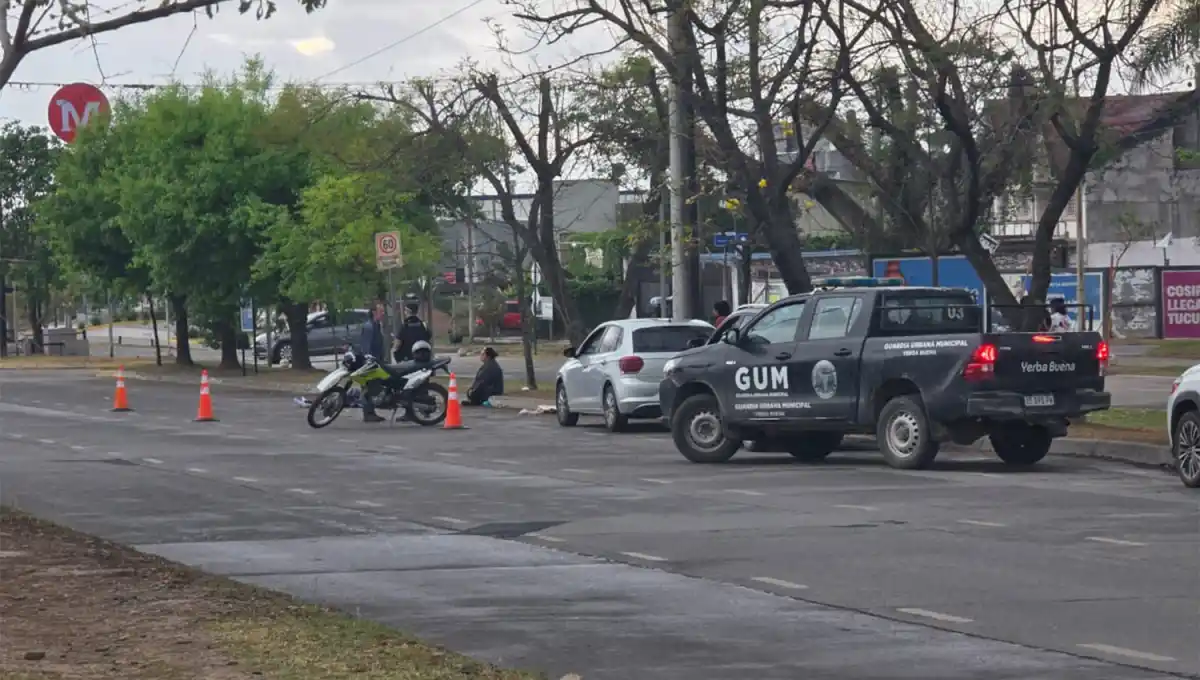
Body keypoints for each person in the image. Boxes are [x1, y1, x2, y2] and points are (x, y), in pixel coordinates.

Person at [359, 302, 389, 423]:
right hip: (370, 362)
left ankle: (371, 412)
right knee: (368, 387)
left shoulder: (376, 325)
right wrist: (369, 360)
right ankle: (368, 413)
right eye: (381, 311)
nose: (383, 314)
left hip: (376, 361)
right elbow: (366, 346)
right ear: (374, 312)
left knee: (373, 387)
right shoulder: (369, 326)